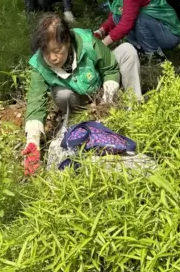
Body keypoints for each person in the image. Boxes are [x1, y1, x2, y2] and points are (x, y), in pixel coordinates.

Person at [22, 13, 142, 175]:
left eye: (57, 51)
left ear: (68, 41)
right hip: (75, 100)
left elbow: (110, 68)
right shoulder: (40, 64)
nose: (52, 58)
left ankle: (134, 109)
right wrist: (33, 141)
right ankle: (77, 119)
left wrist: (106, 102)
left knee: (127, 51)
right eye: (46, 52)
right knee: (61, 93)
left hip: (101, 90)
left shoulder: (87, 42)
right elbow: (36, 101)